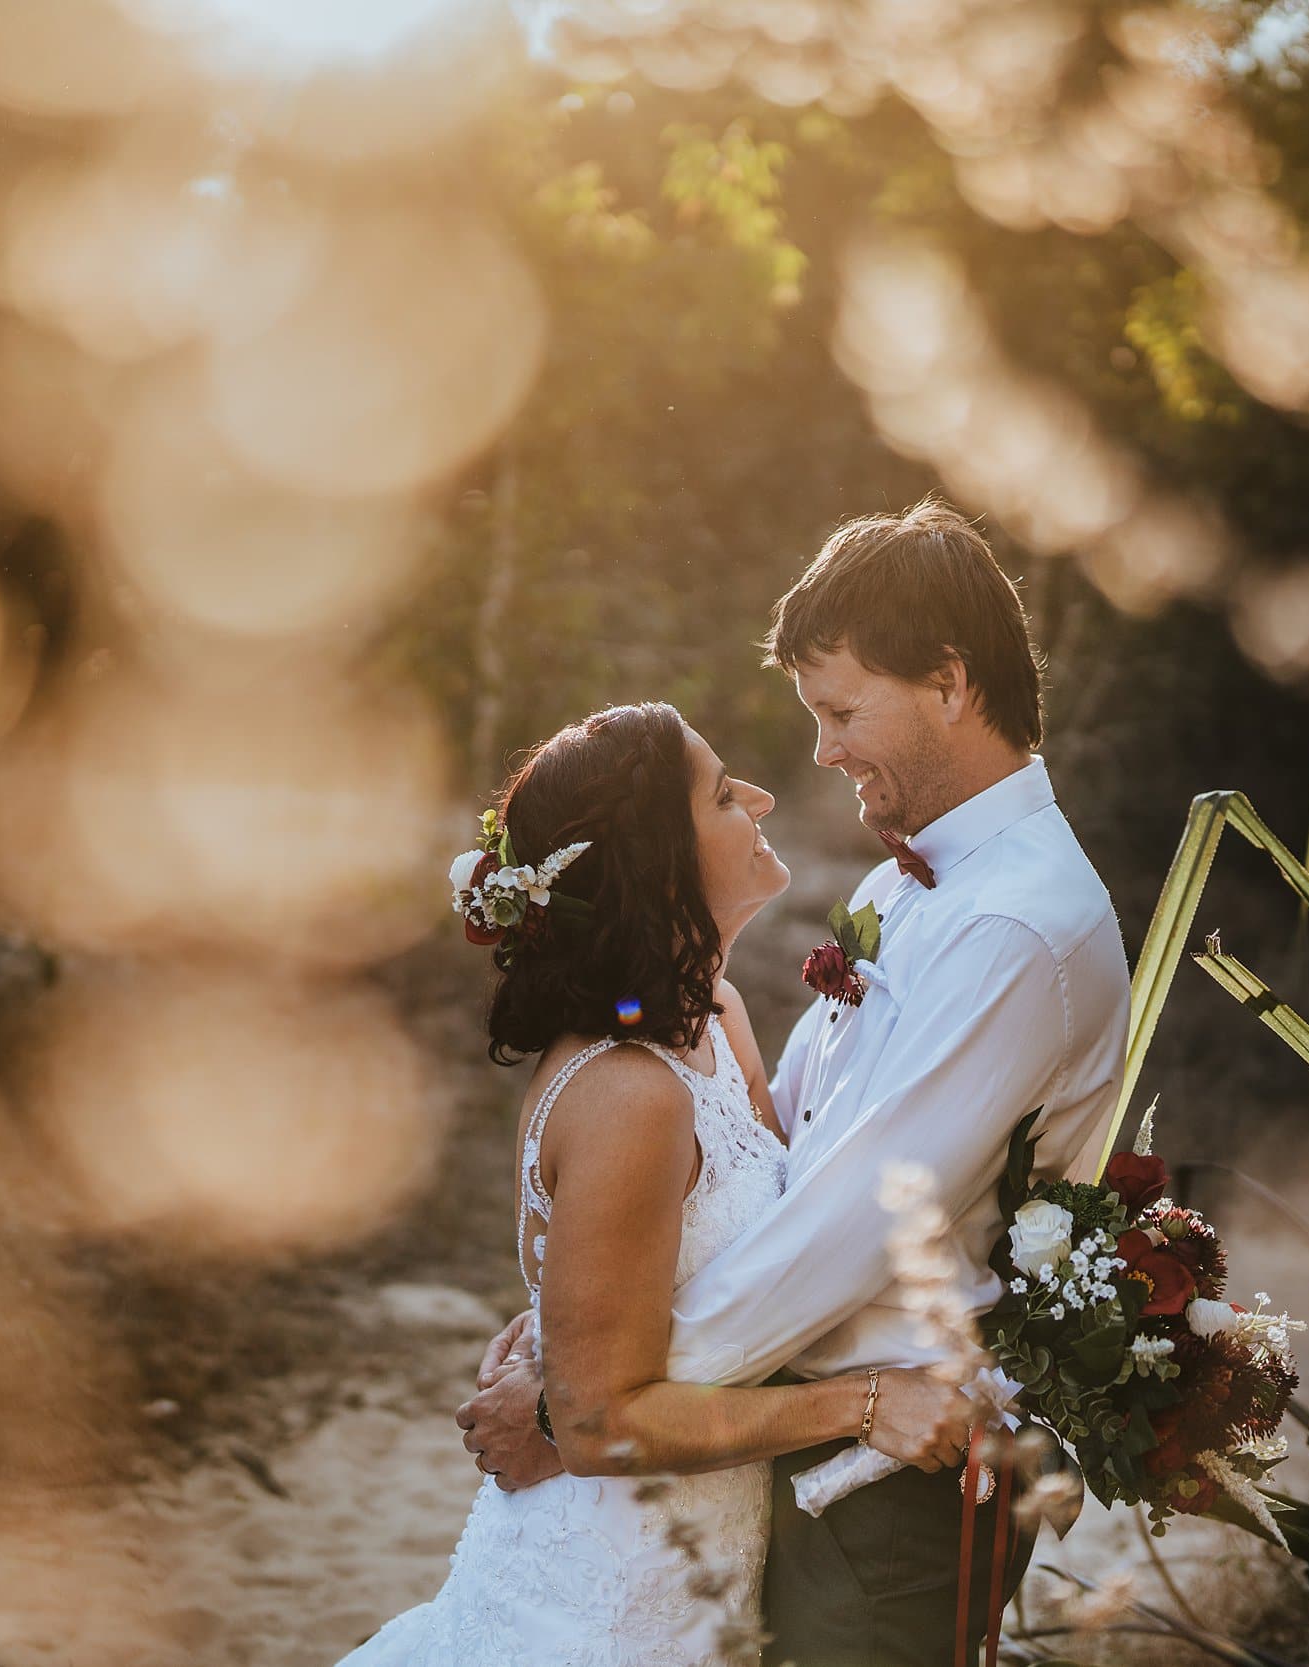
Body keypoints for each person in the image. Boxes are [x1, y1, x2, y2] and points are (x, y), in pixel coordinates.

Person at [461, 500, 1131, 1665]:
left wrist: (578, 1405)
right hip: (778, 1450)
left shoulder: (1013, 924)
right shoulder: (905, 889)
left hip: (885, 1480)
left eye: (840, 709)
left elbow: (848, 1219)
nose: (819, 752)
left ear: (949, 683)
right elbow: (780, 1154)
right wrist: (584, 1332)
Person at [342, 700, 975, 1667]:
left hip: (700, 1578)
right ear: (661, 866)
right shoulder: (628, 1095)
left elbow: (760, 1256)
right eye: (724, 793)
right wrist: (864, 1402)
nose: (760, 797)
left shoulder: (713, 1016)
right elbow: (599, 1424)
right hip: (601, 1604)